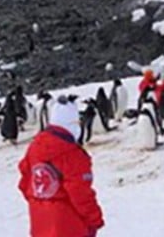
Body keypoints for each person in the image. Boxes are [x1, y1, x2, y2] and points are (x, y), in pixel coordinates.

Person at [18, 96, 105, 236]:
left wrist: (40, 203)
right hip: (68, 226)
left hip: (40, 223)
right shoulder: (73, 154)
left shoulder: (34, 147)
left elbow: (24, 182)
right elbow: (80, 192)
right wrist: (94, 219)